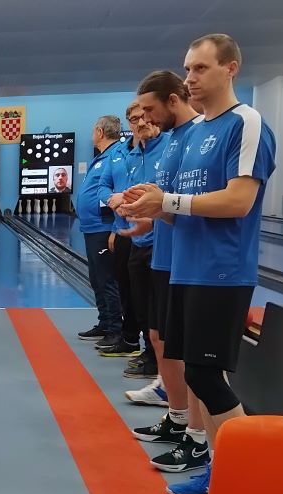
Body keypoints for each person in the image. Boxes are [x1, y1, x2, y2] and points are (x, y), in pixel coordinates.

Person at [121, 34, 276, 494]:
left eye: (201, 68)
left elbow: (238, 201)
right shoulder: (194, 135)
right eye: (188, 68)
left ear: (231, 68)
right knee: (197, 375)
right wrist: (152, 208)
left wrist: (167, 201)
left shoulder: (245, 123)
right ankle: (216, 465)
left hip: (221, 271)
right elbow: (182, 209)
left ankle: (242, 476)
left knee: (207, 376)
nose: (190, 77)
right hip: (187, 269)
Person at [123, 70, 209, 480]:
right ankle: (177, 419)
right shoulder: (175, 141)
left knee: (192, 356)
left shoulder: (204, 136)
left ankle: (197, 436)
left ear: (173, 100)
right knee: (161, 340)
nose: (145, 119)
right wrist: (147, 215)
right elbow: (168, 201)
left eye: (148, 110)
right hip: (164, 255)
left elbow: (212, 201)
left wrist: (161, 206)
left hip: (191, 264)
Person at [109, 102, 164, 376]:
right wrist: (120, 206)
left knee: (157, 309)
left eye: (144, 116)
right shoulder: (132, 155)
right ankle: (149, 353)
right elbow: (127, 193)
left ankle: (158, 361)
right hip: (138, 241)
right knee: (140, 304)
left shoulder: (168, 147)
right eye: (133, 119)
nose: (140, 123)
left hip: (160, 241)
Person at [74, 115, 125, 347]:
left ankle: (115, 330)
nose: (92, 134)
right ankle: (104, 323)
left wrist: (115, 228)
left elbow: (118, 193)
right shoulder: (102, 157)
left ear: (100, 132)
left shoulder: (116, 155)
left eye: (94, 130)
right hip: (92, 227)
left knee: (107, 280)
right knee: (97, 279)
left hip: (104, 227)